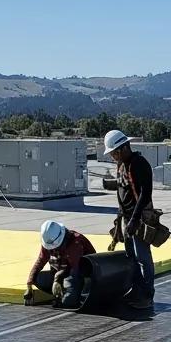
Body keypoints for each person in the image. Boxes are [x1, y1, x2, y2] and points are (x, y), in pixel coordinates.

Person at [104, 129, 155, 309]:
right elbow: (122, 193)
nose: (112, 157)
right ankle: (137, 288)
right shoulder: (122, 165)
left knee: (143, 257)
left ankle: (148, 294)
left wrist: (134, 220)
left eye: (113, 153)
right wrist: (120, 219)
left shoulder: (139, 164)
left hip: (139, 218)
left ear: (123, 148)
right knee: (130, 257)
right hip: (127, 218)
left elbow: (145, 194)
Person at [24, 220, 96, 309]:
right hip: (61, 274)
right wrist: (29, 283)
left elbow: (74, 267)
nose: (52, 249)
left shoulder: (75, 242)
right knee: (37, 278)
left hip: (78, 275)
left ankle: (76, 292)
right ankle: (60, 292)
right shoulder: (48, 242)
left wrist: (57, 278)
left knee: (68, 303)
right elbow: (40, 260)